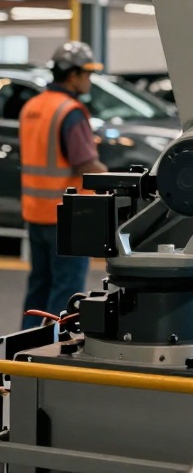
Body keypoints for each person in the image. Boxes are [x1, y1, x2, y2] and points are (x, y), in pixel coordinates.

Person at [20, 42, 107, 329]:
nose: (89, 80)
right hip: (68, 217)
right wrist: (109, 177)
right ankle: (52, 357)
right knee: (65, 293)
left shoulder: (32, 106)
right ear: (73, 74)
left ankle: (22, 352)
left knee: (39, 287)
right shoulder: (69, 111)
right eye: (87, 73)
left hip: (35, 213)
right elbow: (86, 164)